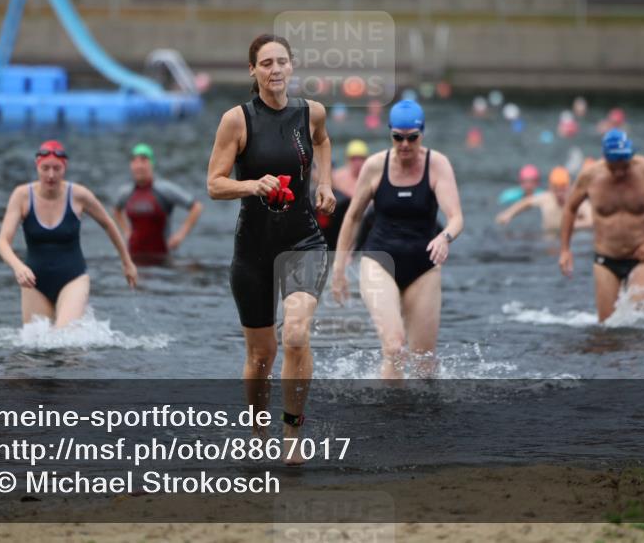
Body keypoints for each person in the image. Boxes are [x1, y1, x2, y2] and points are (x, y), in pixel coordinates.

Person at [206, 34, 334, 464]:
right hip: (253, 249)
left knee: (296, 333)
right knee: (262, 354)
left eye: (281, 62)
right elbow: (214, 184)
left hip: (303, 239)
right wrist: (251, 184)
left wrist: (325, 184)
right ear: (253, 71)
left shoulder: (310, 112)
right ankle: (258, 431)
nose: (275, 69)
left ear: (292, 67)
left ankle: (292, 435)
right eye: (266, 63)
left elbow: (321, 141)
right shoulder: (236, 121)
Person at [332, 99, 463, 379]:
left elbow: (456, 218)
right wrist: (339, 268)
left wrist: (445, 237)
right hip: (379, 260)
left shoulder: (437, 165)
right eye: (398, 137)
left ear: (422, 134)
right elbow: (353, 217)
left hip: (423, 267)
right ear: (390, 133)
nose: (405, 145)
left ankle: (416, 420)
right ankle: (389, 417)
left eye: (412, 138)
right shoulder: (375, 166)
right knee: (394, 347)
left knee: (424, 365)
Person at [0, 140, 138, 328]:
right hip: (34, 283)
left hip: (73, 279)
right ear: (37, 166)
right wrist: (18, 266)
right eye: (45, 168)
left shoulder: (78, 195)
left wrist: (127, 263)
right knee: (35, 349)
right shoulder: (22, 196)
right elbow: (2, 242)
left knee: (65, 340)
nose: (51, 175)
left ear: (65, 168)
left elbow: (108, 224)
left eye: (57, 169)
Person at [559, 130, 644, 322]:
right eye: (614, 167)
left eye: (624, 166)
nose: (619, 172)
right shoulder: (590, 176)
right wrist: (565, 249)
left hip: (642, 258)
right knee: (608, 328)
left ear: (631, 155)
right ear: (605, 159)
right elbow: (570, 208)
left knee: (639, 320)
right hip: (606, 260)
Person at [113, 143, 203, 265]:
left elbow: (196, 207)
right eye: (135, 161)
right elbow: (116, 210)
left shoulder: (164, 190)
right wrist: (126, 232)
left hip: (162, 259)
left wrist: (180, 235)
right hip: (133, 256)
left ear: (151, 164)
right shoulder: (126, 192)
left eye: (143, 160)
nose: (139, 165)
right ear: (131, 165)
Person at [496, 166, 592, 234]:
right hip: (548, 236)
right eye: (556, 190)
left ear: (569, 187)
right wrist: (508, 214)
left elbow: (592, 220)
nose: (560, 194)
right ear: (550, 188)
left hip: (571, 237)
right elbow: (526, 202)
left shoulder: (578, 201)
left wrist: (573, 224)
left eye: (563, 190)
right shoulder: (546, 198)